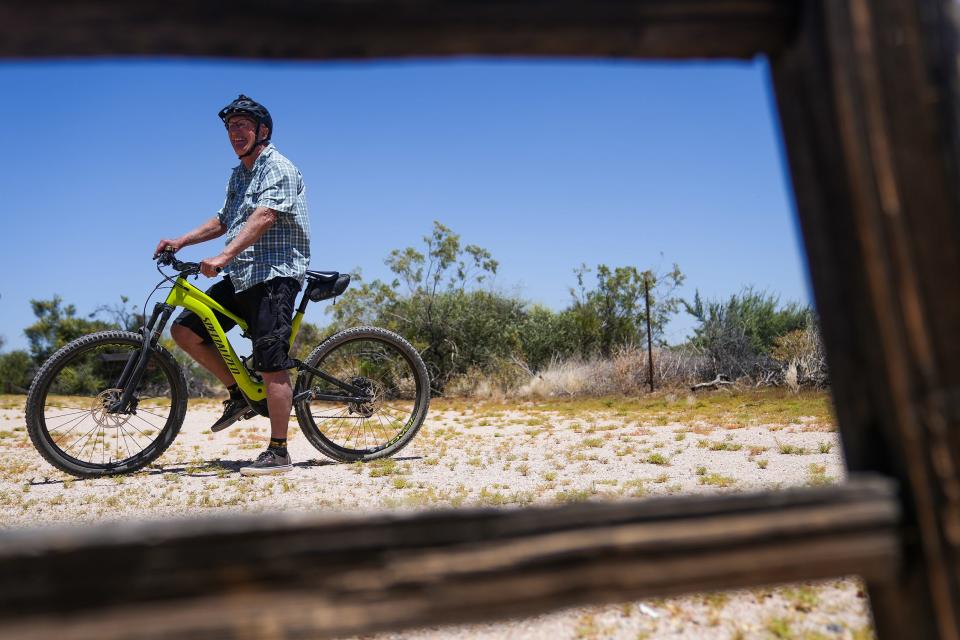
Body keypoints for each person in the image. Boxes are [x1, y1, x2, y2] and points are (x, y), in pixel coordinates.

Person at [154, 94, 311, 476]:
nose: (234, 133)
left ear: (262, 131)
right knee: (185, 331)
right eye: (230, 127)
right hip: (242, 275)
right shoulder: (239, 174)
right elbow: (225, 220)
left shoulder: (279, 168)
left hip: (275, 274)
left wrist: (222, 257)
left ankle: (279, 452)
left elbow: (265, 216)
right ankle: (239, 392)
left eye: (242, 125)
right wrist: (181, 240)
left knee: (271, 364)